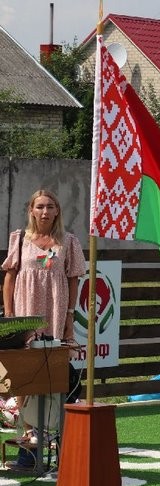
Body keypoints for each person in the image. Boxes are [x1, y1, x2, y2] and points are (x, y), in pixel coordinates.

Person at [2, 189, 86, 471]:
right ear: (31, 210)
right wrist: (10, 317)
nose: (45, 211)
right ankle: (28, 447)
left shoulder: (68, 242)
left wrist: (69, 319)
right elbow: (10, 278)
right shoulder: (19, 239)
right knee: (24, 380)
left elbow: (73, 280)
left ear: (57, 210)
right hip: (24, 318)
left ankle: (55, 442)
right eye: (39, 206)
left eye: (50, 206)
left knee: (52, 379)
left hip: (54, 314)